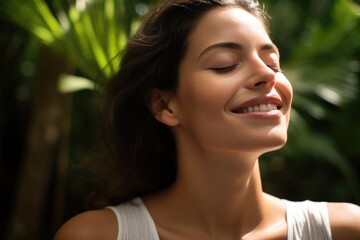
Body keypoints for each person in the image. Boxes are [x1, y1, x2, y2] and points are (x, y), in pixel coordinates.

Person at [54, 0, 360, 239]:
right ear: (165, 105)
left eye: (273, 62)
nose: (268, 75)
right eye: (225, 65)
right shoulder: (97, 236)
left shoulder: (345, 230)